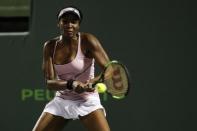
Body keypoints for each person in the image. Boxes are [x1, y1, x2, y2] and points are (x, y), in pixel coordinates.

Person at [33, 6, 111, 131]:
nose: (69, 25)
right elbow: (50, 83)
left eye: (74, 22)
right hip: (62, 100)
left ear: (78, 25)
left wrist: (94, 81)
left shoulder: (88, 40)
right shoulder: (50, 46)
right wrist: (72, 84)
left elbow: (110, 70)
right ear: (58, 23)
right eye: (65, 21)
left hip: (87, 100)